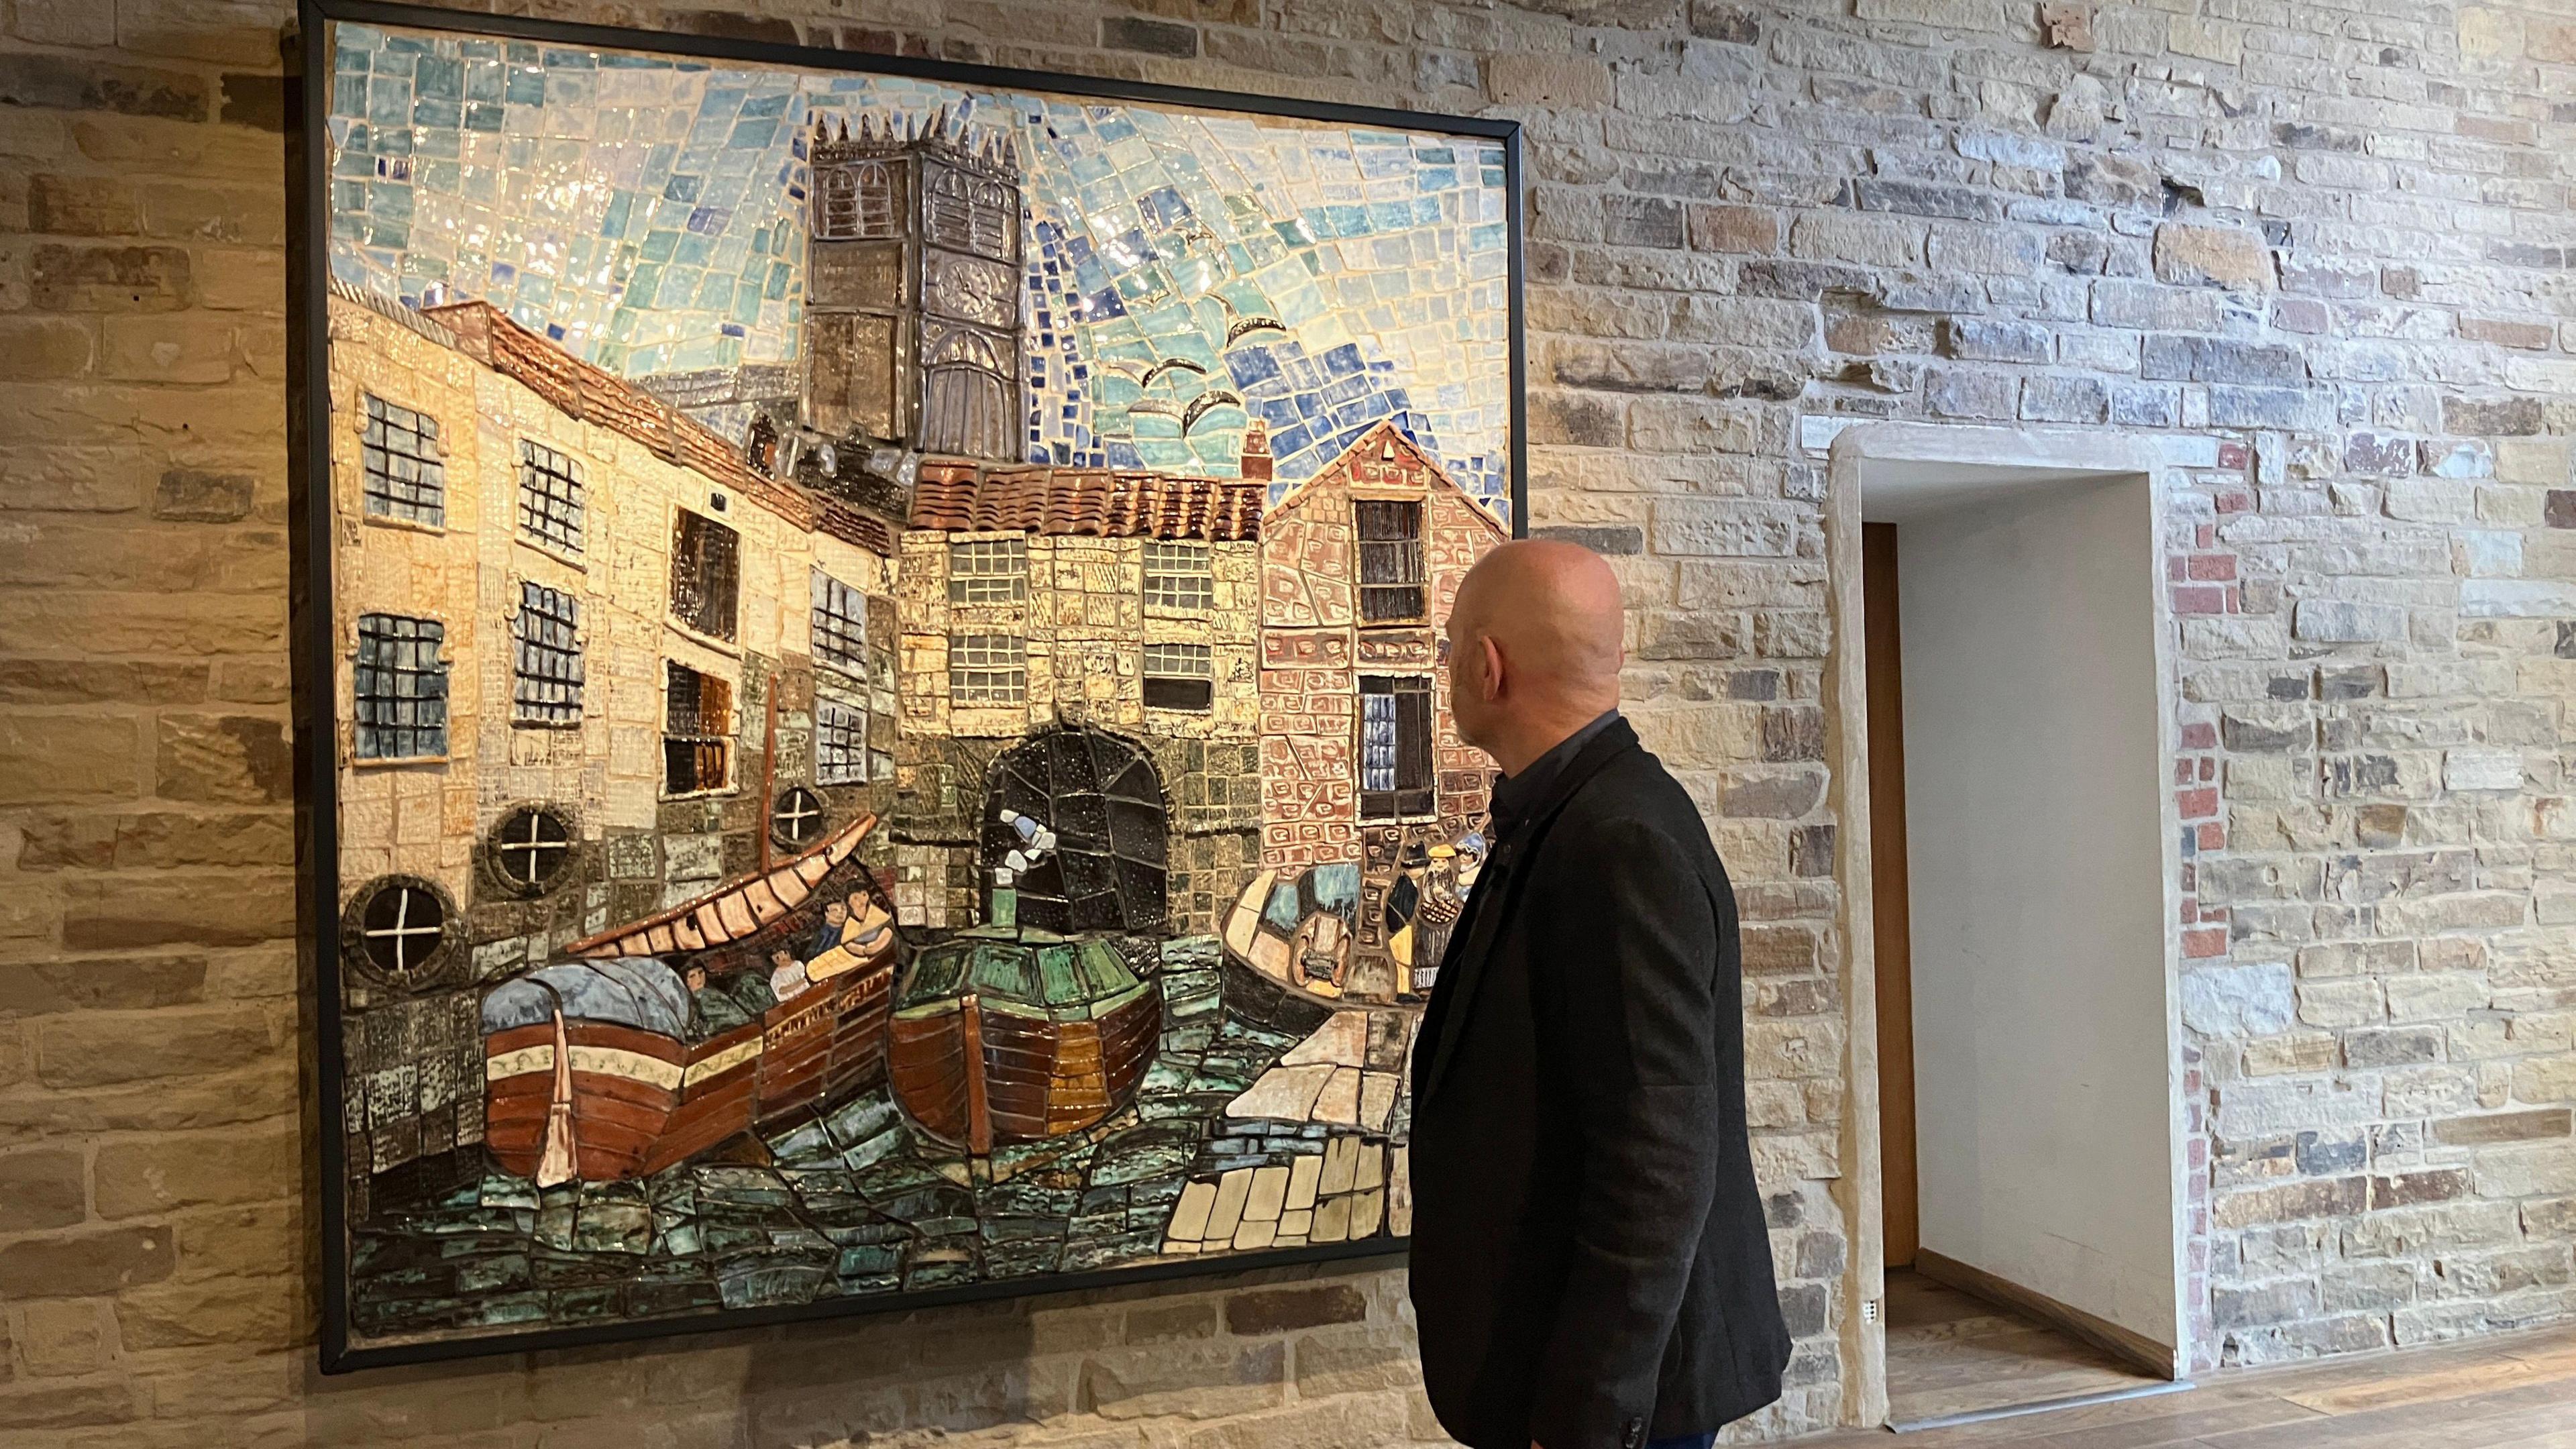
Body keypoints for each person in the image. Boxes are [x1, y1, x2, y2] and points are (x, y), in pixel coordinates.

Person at [1409, 540, 1790, 1449]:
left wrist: (1585, 1415)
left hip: (1617, 1401)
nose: (1449, 662)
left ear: (1487, 665)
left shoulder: (1619, 841)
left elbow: (1658, 1162)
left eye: (1453, 641)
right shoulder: (1578, 813)